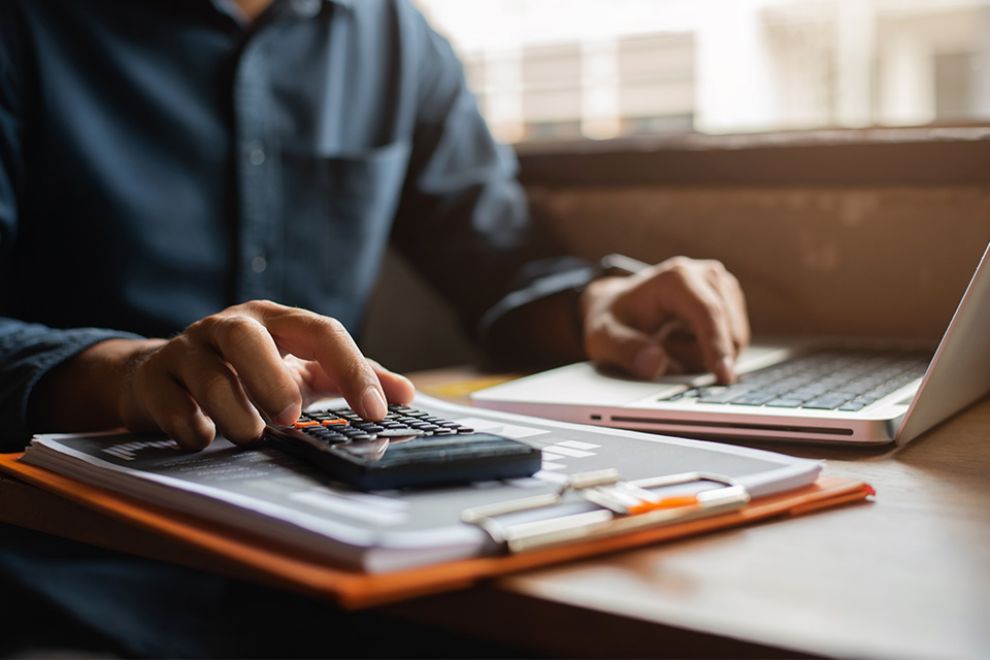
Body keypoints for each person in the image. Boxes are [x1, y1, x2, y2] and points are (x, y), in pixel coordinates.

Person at [0, 0, 749, 655]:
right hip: (77, 563)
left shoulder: (393, 34)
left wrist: (595, 303)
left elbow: (497, 256)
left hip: (351, 555)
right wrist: (127, 373)